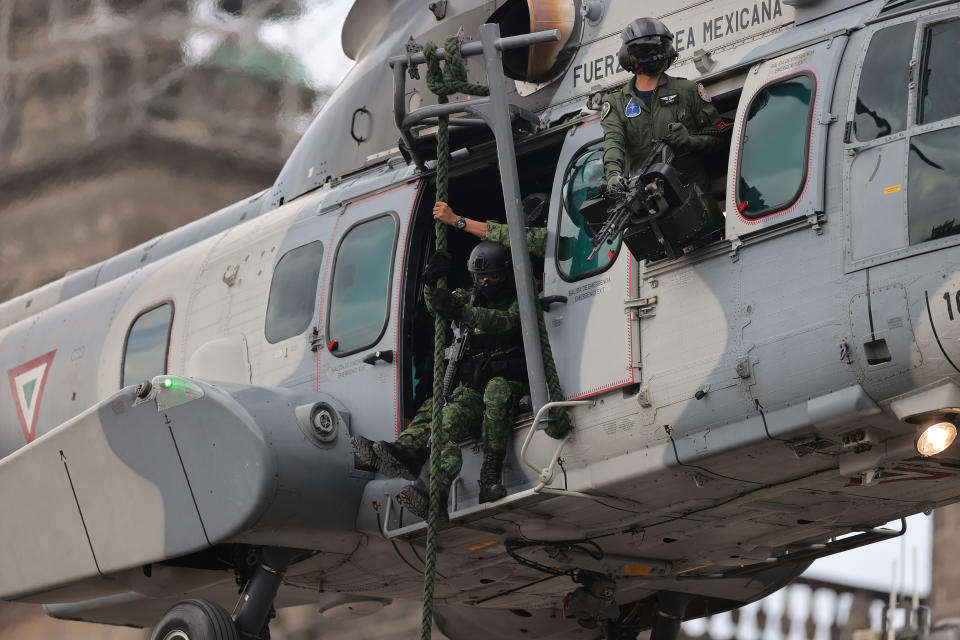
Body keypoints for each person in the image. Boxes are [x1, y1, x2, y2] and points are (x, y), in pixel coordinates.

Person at [352, 241, 526, 519]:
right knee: (446, 417)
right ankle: (426, 478)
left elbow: (508, 321)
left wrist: (462, 313)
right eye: (481, 277)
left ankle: (490, 476)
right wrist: (430, 282)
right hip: (473, 390)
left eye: (493, 276)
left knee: (496, 390)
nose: (487, 282)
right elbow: (437, 307)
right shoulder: (469, 297)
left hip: (511, 387)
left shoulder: (521, 296)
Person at [601, 17, 725, 196]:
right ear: (629, 56)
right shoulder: (616, 104)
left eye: (658, 48)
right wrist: (613, 175)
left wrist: (690, 141)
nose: (653, 55)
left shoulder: (688, 91)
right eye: (645, 50)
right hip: (648, 203)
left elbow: (719, 139)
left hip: (694, 200)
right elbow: (614, 143)